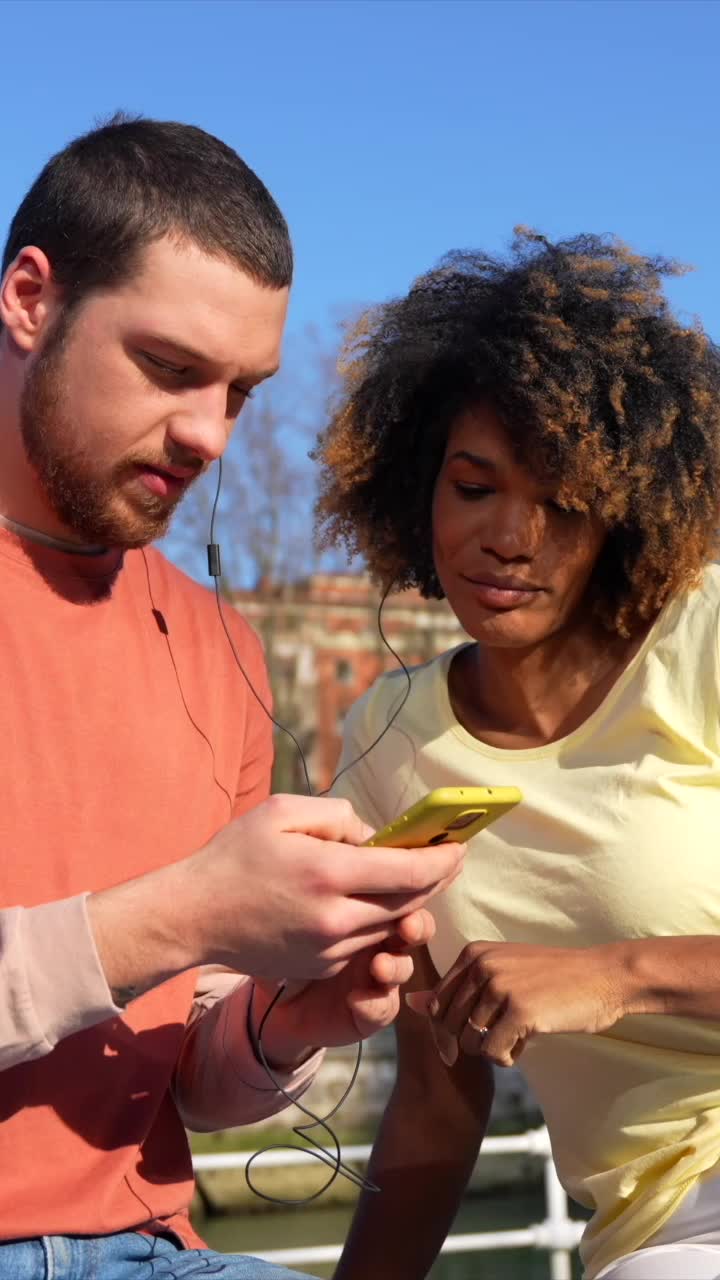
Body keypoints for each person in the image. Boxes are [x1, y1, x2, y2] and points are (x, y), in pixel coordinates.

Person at [0, 115, 466, 1280]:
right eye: (167, 368)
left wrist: (279, 1018)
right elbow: (170, 924)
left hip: (154, 1248)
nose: (210, 433)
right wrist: (187, 907)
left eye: (242, 391)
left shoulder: (219, 646)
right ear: (29, 299)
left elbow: (188, 1081)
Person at [314, 229, 720, 1280]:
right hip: (674, 1230)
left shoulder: (703, 635)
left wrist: (621, 976)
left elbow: (608, 979)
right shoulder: (389, 745)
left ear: (623, 516)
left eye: (563, 500)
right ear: (419, 489)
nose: (510, 535)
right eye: (475, 484)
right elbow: (438, 1098)